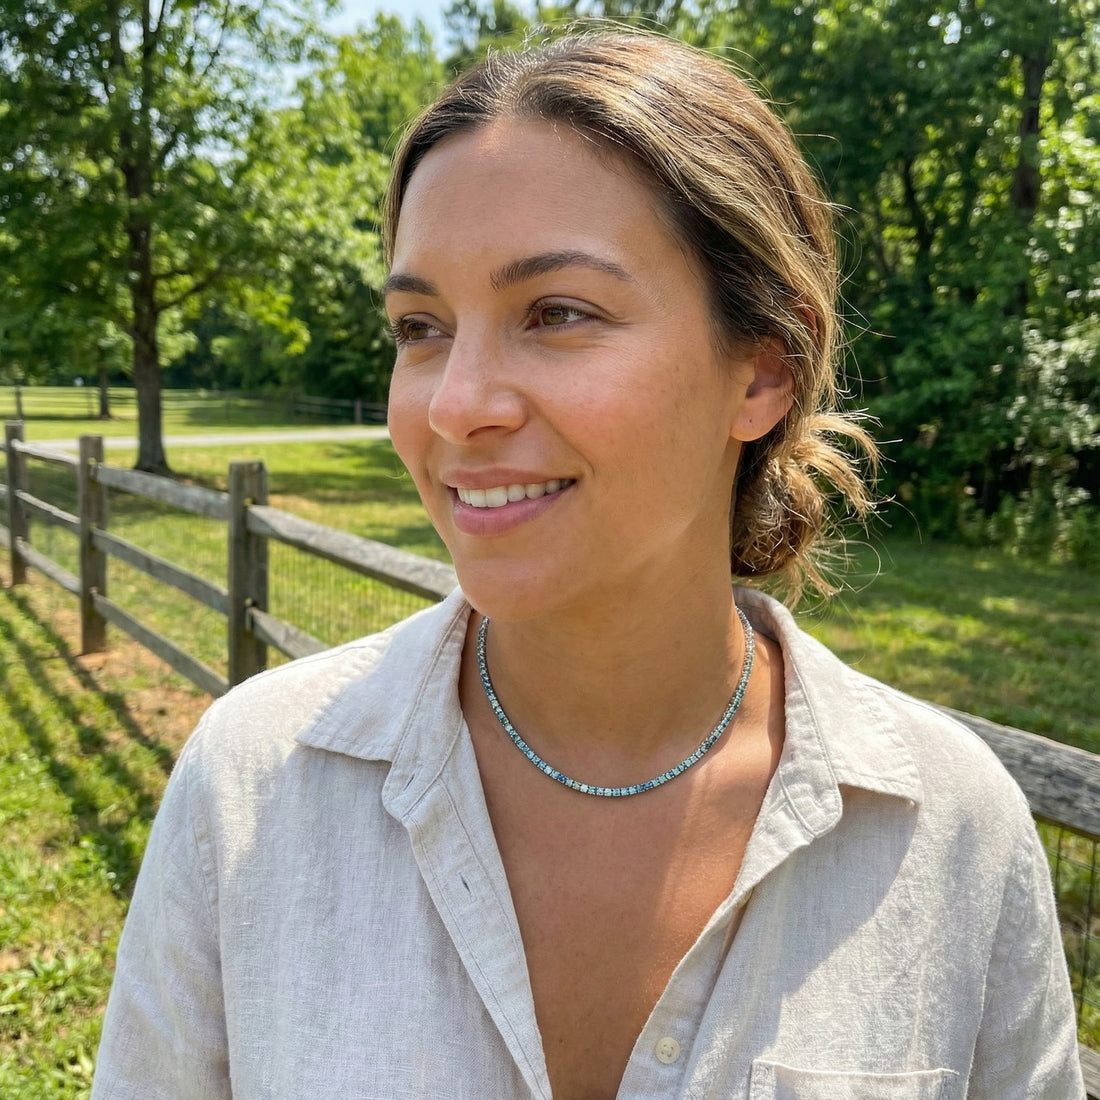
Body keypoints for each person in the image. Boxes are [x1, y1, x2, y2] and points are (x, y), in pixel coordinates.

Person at [92, 29, 1084, 1100]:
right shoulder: (252, 785)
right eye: (419, 325)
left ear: (762, 368)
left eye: (556, 312)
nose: (456, 404)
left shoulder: (950, 832)